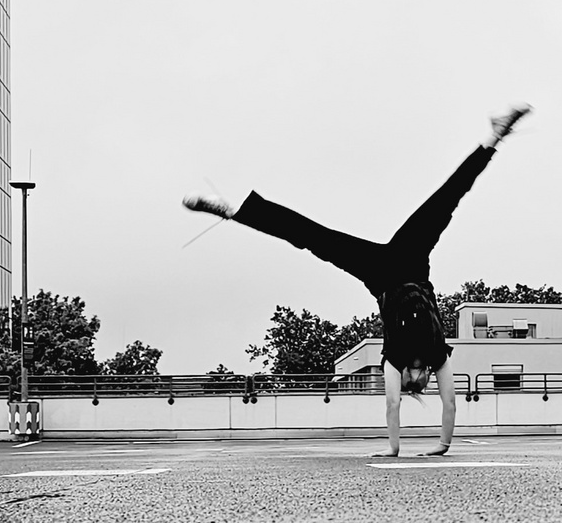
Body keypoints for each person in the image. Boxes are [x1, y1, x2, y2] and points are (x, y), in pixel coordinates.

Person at [183, 105, 532, 457]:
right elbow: (452, 403)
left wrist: (394, 449)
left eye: (411, 386)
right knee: (446, 199)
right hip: (411, 262)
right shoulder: (438, 356)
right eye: (420, 386)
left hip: (379, 275)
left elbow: (391, 405)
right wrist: (442, 446)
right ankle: (496, 136)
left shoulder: (393, 360)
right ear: (426, 379)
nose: (415, 383)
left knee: (315, 238)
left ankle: (232, 212)